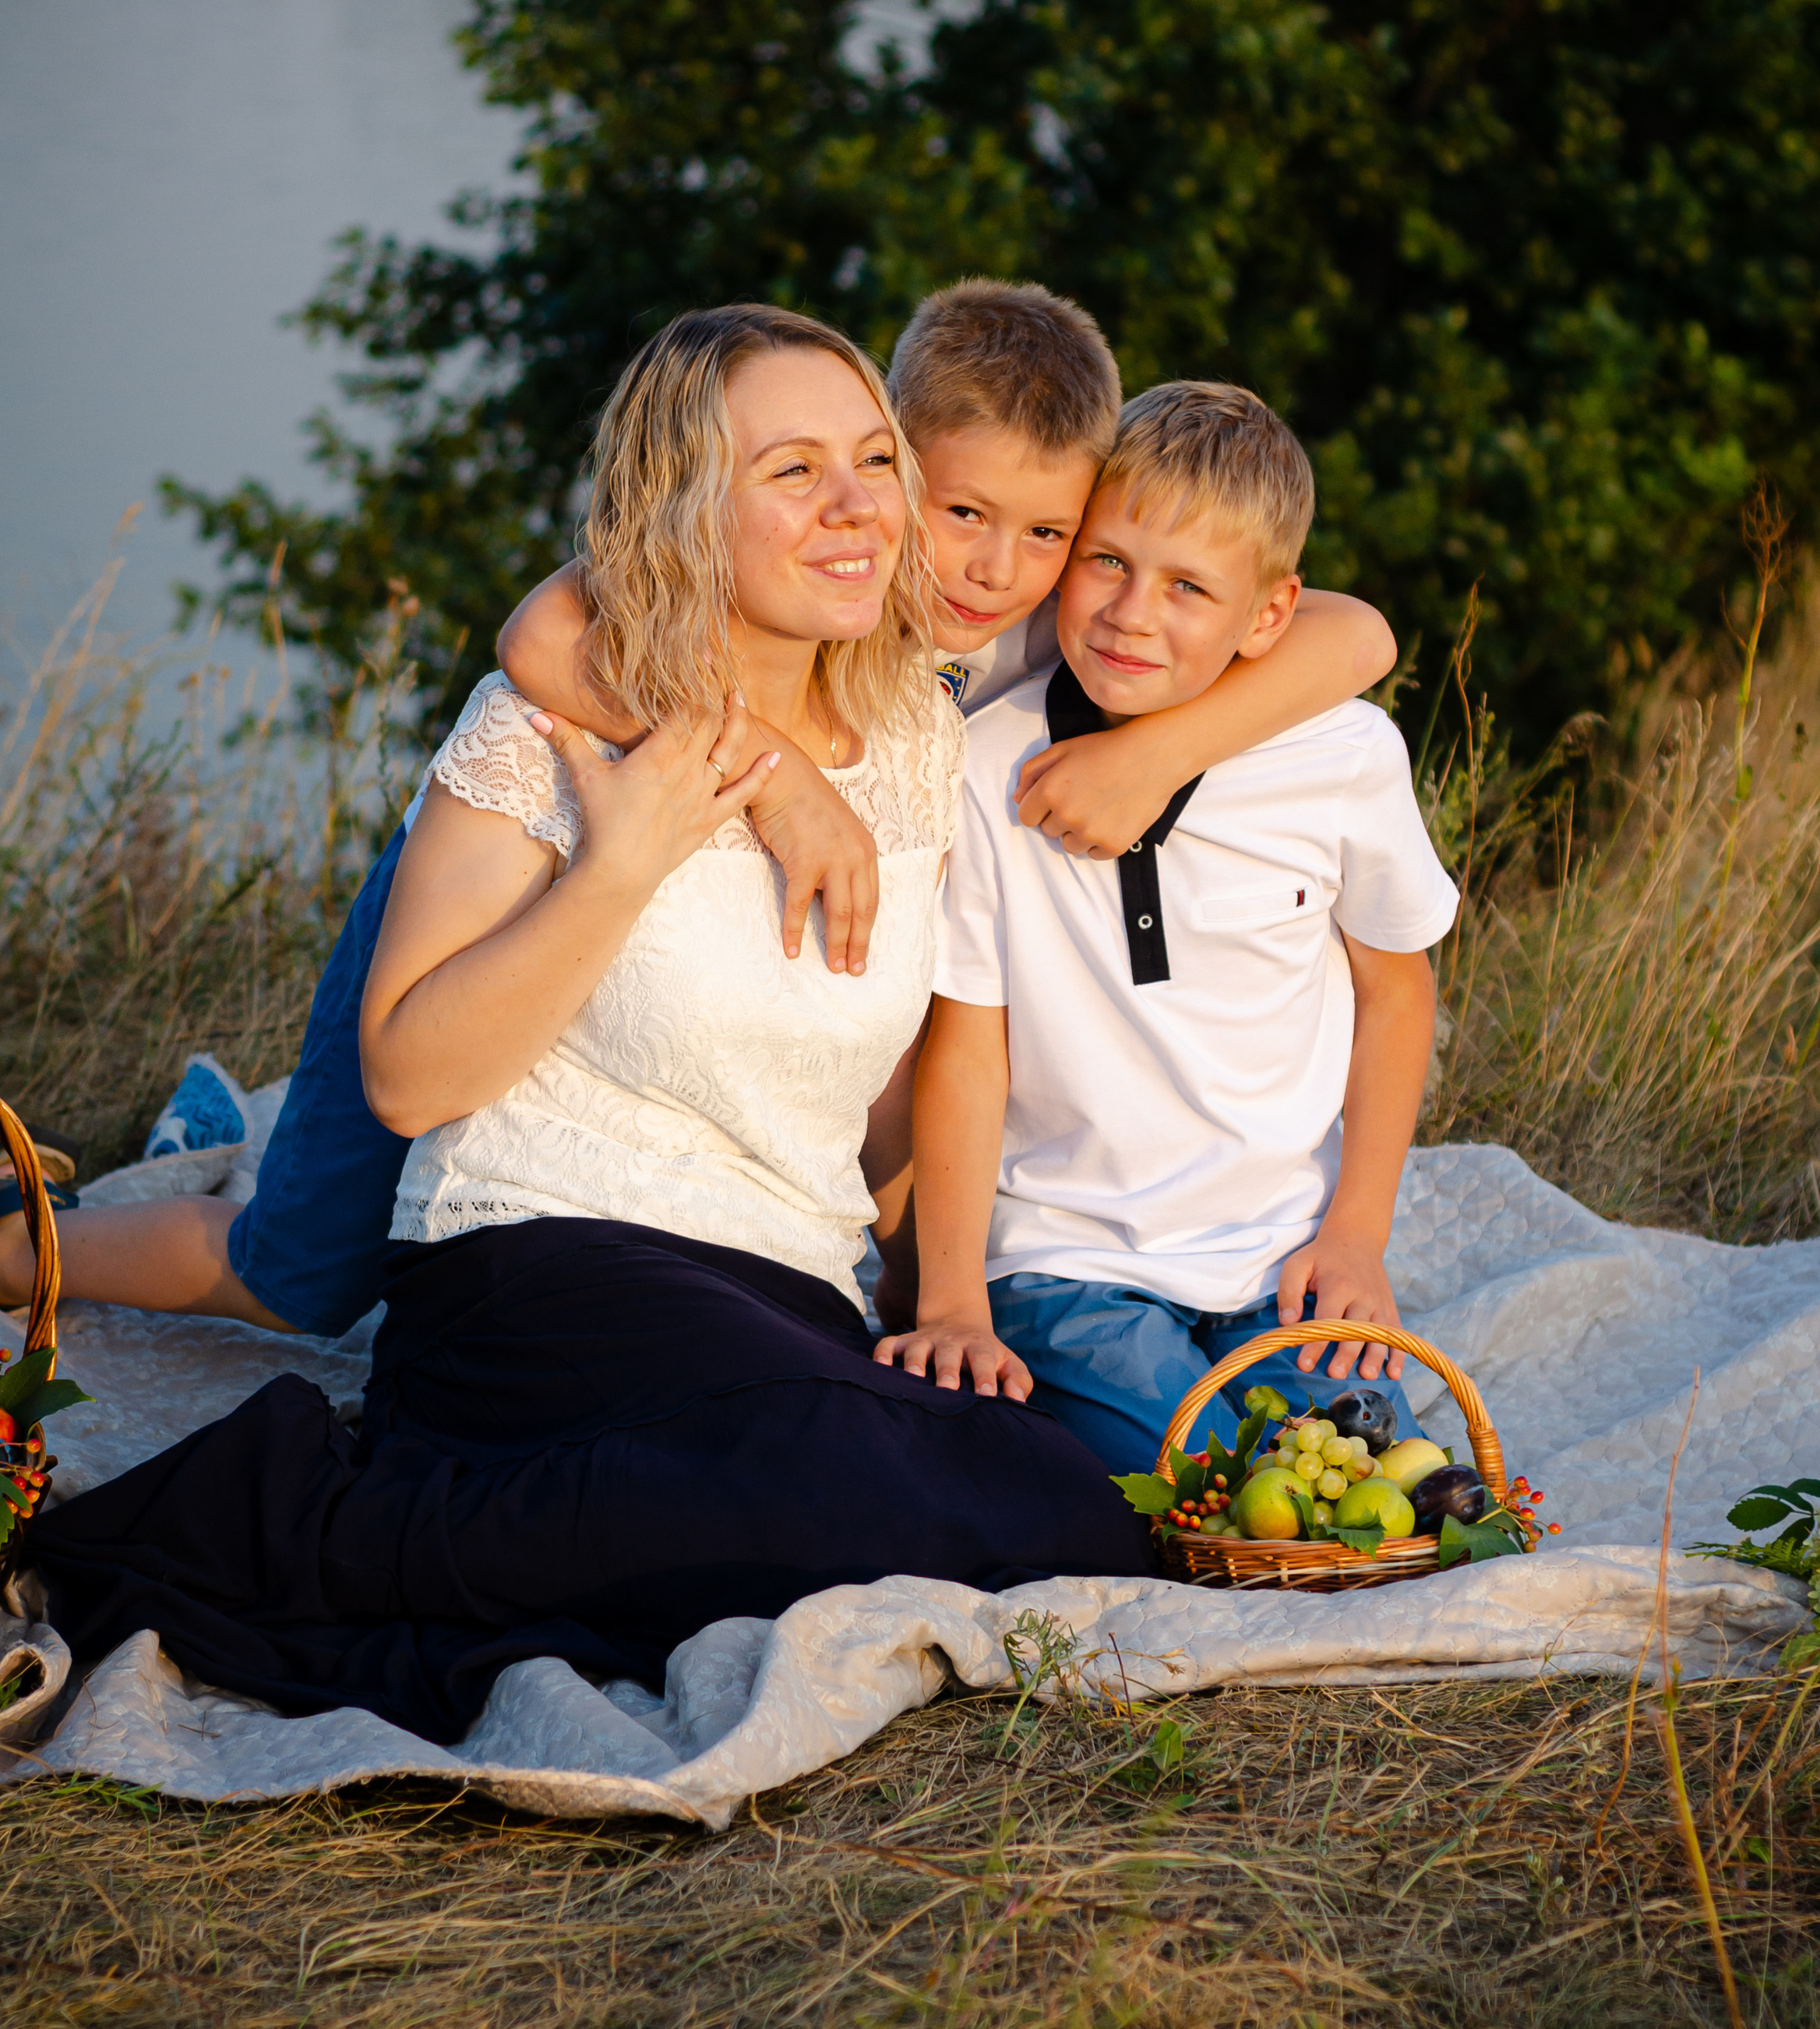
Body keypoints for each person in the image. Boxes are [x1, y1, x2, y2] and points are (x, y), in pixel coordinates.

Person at [31, 308, 1151, 1745]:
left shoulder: (922, 741)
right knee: (835, 1461)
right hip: (544, 1266)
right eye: (794, 470)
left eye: (875, 459)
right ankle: (297, 1522)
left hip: (777, 1291)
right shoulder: (553, 718)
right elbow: (407, 1074)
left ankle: (626, 1515)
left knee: (1054, 1494)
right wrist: (620, 865)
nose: (861, 503)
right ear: (690, 502)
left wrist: (952, 1272)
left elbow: (856, 1106)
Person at [5, 280, 1395, 1340]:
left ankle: (208, 1164)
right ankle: (40, 1244)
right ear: (890, 459)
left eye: (1047, 534)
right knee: (298, 1272)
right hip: (514, 872)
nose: (994, 568)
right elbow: (541, 634)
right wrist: (782, 780)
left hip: (739, 1004)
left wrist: (1162, 756)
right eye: (960, 511)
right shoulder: (835, 548)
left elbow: (1353, 634)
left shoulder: (1048, 622)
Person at [880, 379, 1460, 1472]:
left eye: (1189, 585)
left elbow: (1398, 990)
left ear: (1270, 615)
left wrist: (1357, 1236)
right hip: (1062, 1260)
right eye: (1107, 560)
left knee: (1391, 1487)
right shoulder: (984, 759)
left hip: (1282, 1260)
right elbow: (968, 1045)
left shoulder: (1342, 756)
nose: (1132, 612)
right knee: (1197, 1487)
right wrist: (955, 1296)